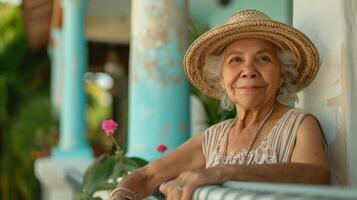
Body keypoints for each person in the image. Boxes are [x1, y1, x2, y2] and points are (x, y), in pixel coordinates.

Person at [110, 9, 330, 200]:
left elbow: (317, 176)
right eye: (235, 60)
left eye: (263, 58)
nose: (249, 71)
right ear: (222, 80)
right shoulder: (214, 138)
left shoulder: (299, 124)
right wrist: (121, 196)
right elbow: (146, 176)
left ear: (282, 75)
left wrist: (224, 172)